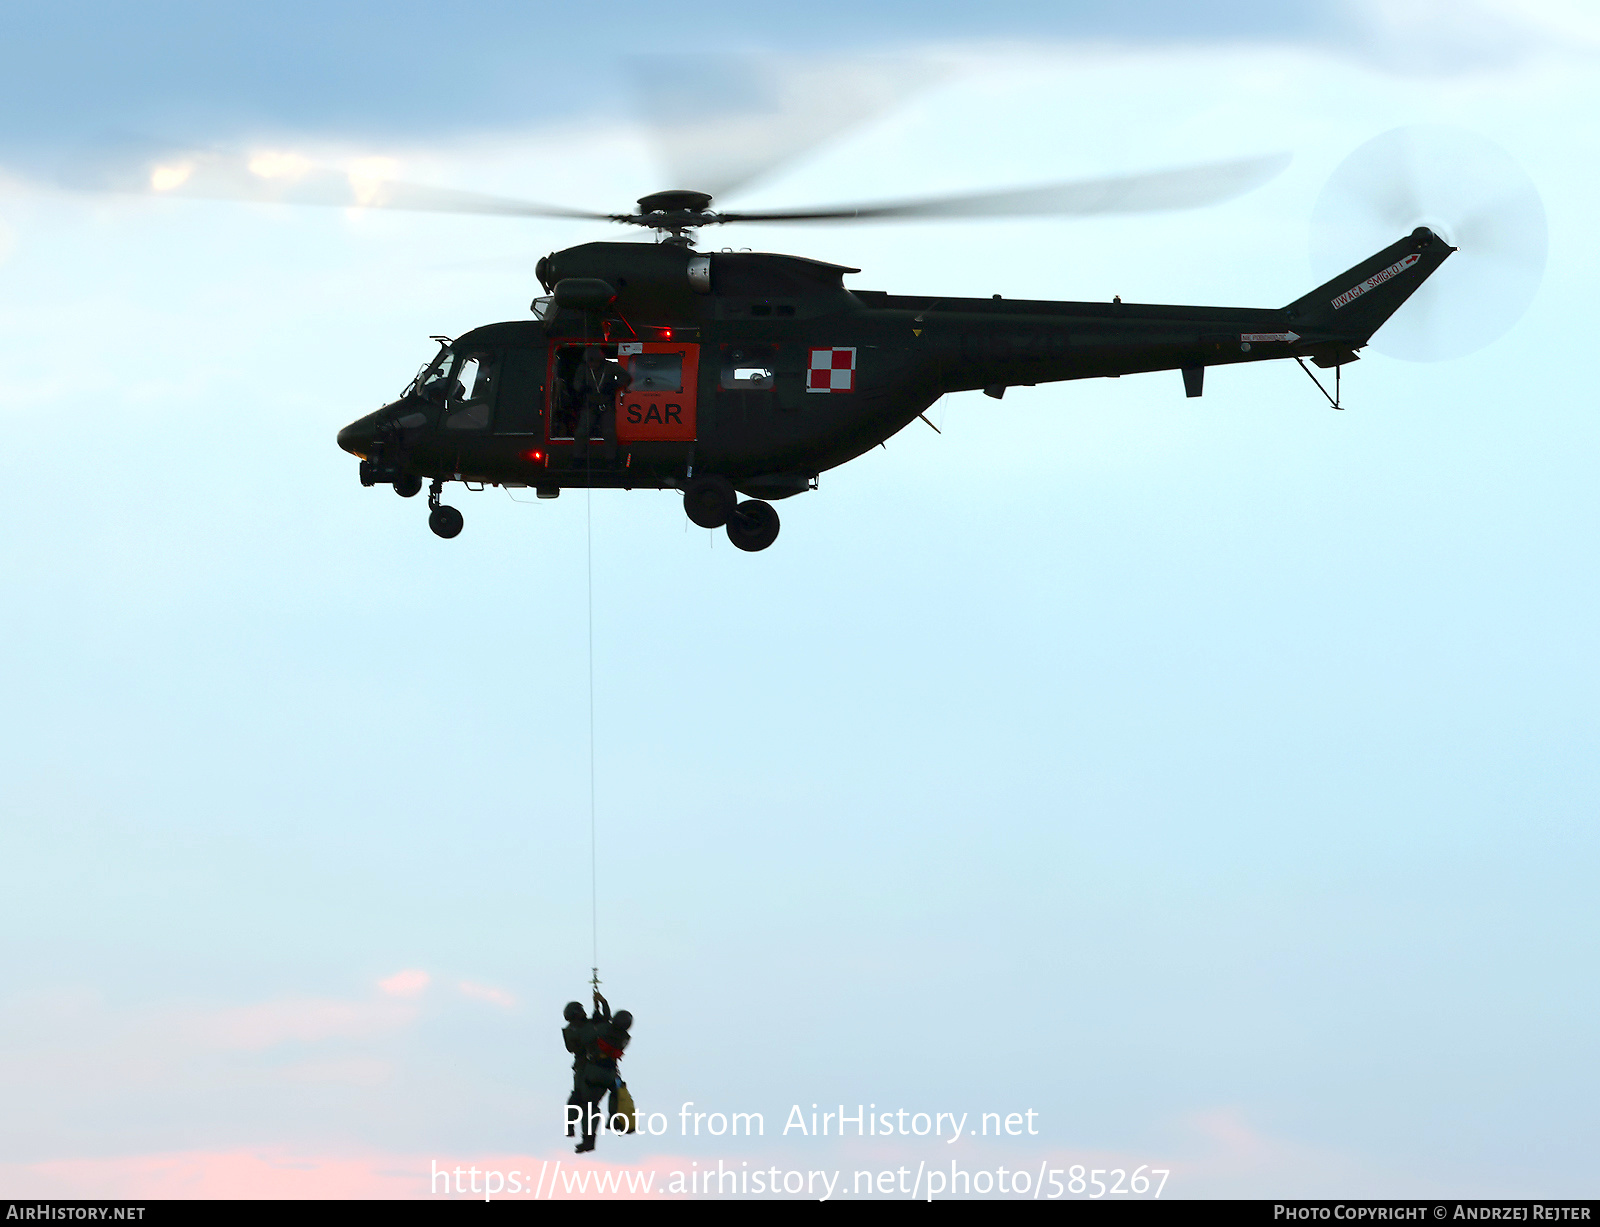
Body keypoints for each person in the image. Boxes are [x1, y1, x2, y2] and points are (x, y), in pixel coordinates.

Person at [567, 346, 630, 462]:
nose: (592, 365)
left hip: (607, 406)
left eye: (594, 362)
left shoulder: (609, 367)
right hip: (589, 406)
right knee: (581, 432)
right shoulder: (583, 368)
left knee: (609, 433)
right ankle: (577, 458)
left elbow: (626, 376)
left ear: (600, 360)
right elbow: (576, 383)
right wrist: (581, 388)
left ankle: (611, 460)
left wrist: (614, 385)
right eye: (589, 362)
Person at [562, 1001, 604, 1153]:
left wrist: (601, 1005)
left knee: (588, 1105)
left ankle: (586, 1139)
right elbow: (579, 1044)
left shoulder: (589, 1025)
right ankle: (573, 1129)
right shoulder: (574, 1030)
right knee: (577, 1101)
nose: (582, 1013)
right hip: (583, 1069)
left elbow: (605, 1022)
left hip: (592, 1070)